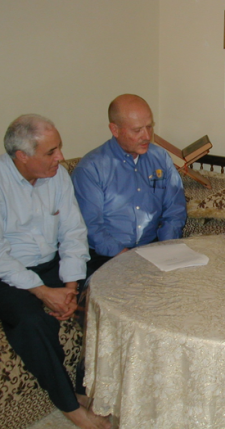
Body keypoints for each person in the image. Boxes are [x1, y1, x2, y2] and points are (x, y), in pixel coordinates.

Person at [0, 115, 110, 429]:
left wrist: (72, 286)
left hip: (53, 265)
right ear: (22, 156)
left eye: (58, 148)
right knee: (33, 321)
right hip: (9, 273)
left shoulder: (57, 176)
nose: (60, 157)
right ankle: (68, 405)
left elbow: (74, 234)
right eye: (51, 152)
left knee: (104, 294)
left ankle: (82, 386)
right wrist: (43, 292)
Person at [72, 94, 186, 271]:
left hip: (151, 249)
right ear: (115, 130)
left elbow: (174, 209)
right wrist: (126, 257)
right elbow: (92, 226)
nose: (147, 136)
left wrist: (167, 248)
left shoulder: (160, 158)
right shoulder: (91, 169)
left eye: (149, 127)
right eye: (137, 130)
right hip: (107, 256)